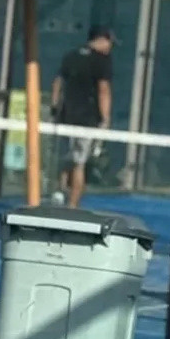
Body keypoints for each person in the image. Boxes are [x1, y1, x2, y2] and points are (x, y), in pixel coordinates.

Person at [50, 25, 114, 208]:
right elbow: (103, 90)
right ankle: (72, 205)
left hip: (65, 117)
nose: (110, 47)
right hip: (87, 119)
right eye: (109, 42)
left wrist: (55, 107)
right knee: (79, 163)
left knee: (66, 158)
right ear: (101, 40)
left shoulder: (71, 56)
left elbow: (57, 83)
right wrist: (105, 118)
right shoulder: (102, 61)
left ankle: (59, 194)